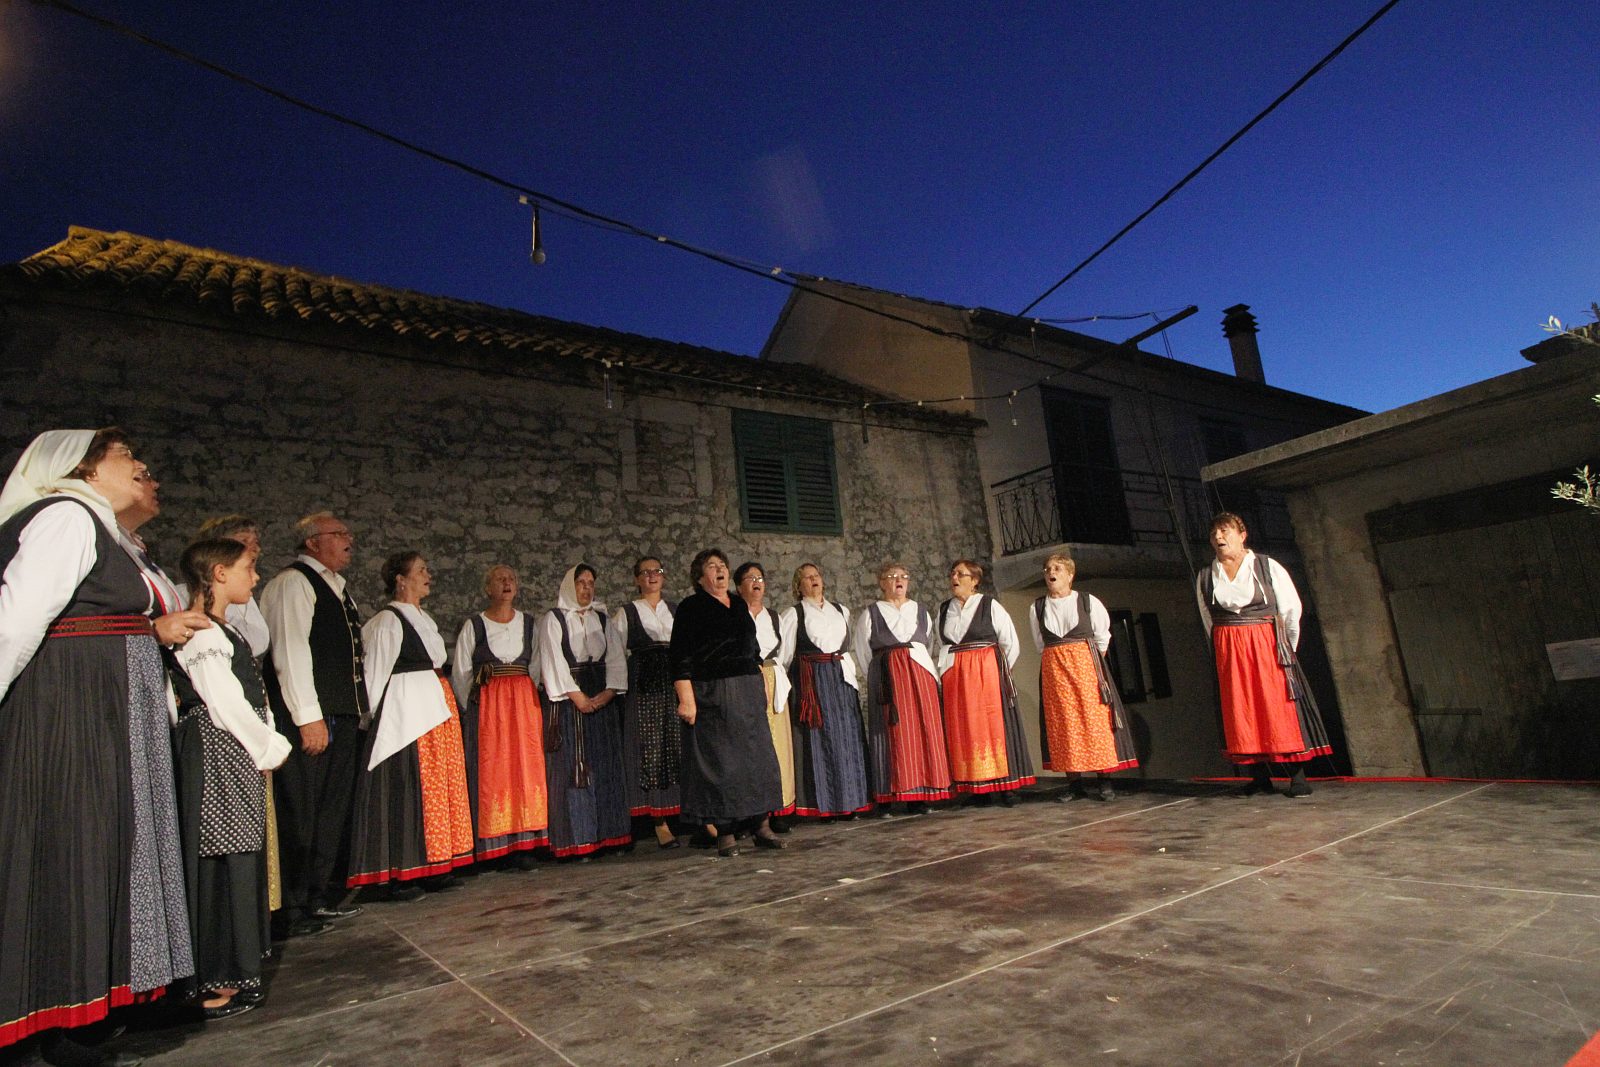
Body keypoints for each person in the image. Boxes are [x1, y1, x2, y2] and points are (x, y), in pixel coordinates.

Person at [0, 429, 202, 1064]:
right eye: (125, 458)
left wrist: (150, 631)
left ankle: (93, 1002)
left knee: (106, 848)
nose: (141, 466)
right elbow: (20, 617)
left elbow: (95, 614)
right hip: (72, 710)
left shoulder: (100, 528)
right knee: (73, 847)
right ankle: (54, 1016)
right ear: (82, 470)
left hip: (108, 707)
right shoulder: (66, 516)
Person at [169, 538, 293, 1021]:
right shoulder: (202, 632)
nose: (255, 577)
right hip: (220, 749)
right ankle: (216, 975)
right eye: (248, 568)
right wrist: (270, 745)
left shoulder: (222, 629)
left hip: (234, 750)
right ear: (218, 573)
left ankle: (237, 965)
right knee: (222, 855)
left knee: (239, 849)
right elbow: (223, 703)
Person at [259, 512, 370, 938]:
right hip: (311, 716)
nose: (348, 540)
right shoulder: (294, 583)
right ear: (311, 542)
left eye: (347, 532)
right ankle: (293, 905)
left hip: (337, 714)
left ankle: (318, 896)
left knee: (329, 808)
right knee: (303, 808)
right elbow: (290, 651)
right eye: (338, 534)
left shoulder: (336, 588)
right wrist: (308, 718)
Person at [347, 553, 475, 893]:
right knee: (410, 786)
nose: (428, 575)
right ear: (400, 580)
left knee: (436, 786)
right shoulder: (388, 622)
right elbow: (374, 675)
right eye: (421, 570)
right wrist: (368, 722)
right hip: (407, 714)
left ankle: (436, 862)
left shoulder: (424, 618)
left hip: (434, 706)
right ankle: (403, 869)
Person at [1196, 512, 1333, 798]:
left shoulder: (1267, 567)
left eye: (1224, 531)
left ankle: (1297, 777)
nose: (1218, 538)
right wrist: (1220, 652)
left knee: (1276, 705)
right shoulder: (1207, 576)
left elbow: (1291, 609)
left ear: (1242, 534)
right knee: (1241, 709)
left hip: (1267, 646)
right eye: (1213, 534)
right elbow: (1208, 619)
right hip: (1230, 649)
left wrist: (1287, 649)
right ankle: (1260, 776)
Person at [669, 548, 784, 857]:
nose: (719, 570)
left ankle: (761, 826)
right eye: (711, 566)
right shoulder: (691, 608)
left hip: (747, 688)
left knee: (757, 758)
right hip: (713, 692)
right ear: (699, 576)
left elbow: (753, 649)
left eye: (722, 565)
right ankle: (726, 833)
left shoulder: (738, 605)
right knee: (721, 763)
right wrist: (687, 700)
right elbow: (679, 658)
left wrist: (759, 683)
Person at [452, 564, 547, 866]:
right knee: (494, 768)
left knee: (525, 767)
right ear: (487, 588)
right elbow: (462, 672)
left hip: (522, 702)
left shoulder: (530, 624)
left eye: (511, 579)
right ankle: (495, 845)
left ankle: (525, 842)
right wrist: (474, 704)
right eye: (499, 580)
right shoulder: (475, 625)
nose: (507, 584)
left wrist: (527, 696)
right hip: (490, 704)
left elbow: (537, 666)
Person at [540, 564, 631, 858]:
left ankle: (612, 836)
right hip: (571, 698)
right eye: (581, 583)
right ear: (570, 585)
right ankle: (580, 840)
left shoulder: (602, 620)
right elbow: (553, 659)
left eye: (591, 583)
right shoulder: (553, 620)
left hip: (600, 691)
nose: (587, 588)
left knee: (605, 763)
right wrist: (579, 698)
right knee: (576, 769)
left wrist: (607, 693)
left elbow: (616, 659)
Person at [1030, 554, 1138, 801]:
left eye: (1056, 568)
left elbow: (1103, 636)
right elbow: (1039, 643)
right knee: (1063, 723)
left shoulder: (1088, 602)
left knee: (1094, 719)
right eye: (1047, 569)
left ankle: (1104, 781)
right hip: (1055, 669)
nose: (1050, 572)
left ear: (1070, 574)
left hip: (1086, 667)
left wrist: (1085, 661)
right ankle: (1074, 783)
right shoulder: (1037, 607)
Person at [853, 562, 952, 814]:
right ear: (882, 582)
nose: (899, 580)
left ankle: (919, 796)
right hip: (888, 678)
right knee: (890, 734)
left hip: (919, 675)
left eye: (904, 576)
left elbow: (927, 645)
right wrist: (881, 673)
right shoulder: (871, 614)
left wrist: (914, 666)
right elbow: (865, 653)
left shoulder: (920, 611)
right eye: (892, 576)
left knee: (921, 731)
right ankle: (887, 796)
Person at [934, 559, 1035, 805]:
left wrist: (997, 671)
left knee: (992, 726)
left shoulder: (989, 605)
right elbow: (941, 643)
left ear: (975, 580)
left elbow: (1010, 642)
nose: (954, 578)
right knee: (964, 728)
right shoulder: (945, 609)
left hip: (985, 673)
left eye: (961, 574)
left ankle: (1005, 787)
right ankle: (978, 788)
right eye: (953, 574)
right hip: (957, 677)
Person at [777, 563, 871, 820]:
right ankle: (825, 805)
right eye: (806, 578)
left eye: (816, 575)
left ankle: (852, 801)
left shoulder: (841, 611)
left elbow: (846, 647)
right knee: (821, 739)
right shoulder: (794, 615)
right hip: (812, 681)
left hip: (839, 677)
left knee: (848, 735)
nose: (813, 580)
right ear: (799, 586)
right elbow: (785, 657)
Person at [605, 556, 682, 850]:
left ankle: (691, 814)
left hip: (673, 683)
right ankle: (659, 823)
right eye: (646, 572)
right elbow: (614, 655)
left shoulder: (675, 610)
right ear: (637, 579)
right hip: (644, 686)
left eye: (657, 571)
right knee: (650, 750)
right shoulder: (626, 613)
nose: (652, 576)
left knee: (677, 746)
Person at [734, 562, 796, 829]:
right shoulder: (734, 614)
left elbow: (786, 654)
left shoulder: (774, 616)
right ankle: (752, 811)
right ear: (738, 587)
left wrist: (772, 675)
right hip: (746, 677)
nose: (757, 582)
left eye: (760, 577)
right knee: (749, 744)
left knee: (778, 744)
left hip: (772, 677)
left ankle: (778, 808)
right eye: (750, 578)